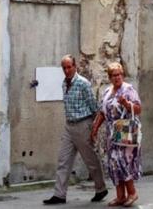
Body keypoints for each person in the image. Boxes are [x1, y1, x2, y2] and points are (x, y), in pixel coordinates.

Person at [45, 55, 108, 205]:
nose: (67, 70)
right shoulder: (64, 84)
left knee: (90, 159)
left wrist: (93, 129)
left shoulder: (83, 83)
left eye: (69, 67)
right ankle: (59, 194)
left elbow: (94, 107)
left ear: (75, 67)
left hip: (82, 124)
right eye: (64, 68)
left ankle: (101, 188)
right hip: (69, 126)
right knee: (63, 160)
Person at [92, 61, 143, 207]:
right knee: (113, 163)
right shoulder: (107, 92)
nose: (117, 77)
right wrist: (95, 128)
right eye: (114, 75)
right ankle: (120, 196)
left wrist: (127, 104)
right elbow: (102, 112)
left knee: (123, 162)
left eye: (120, 74)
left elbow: (138, 109)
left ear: (123, 75)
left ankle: (132, 193)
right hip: (111, 133)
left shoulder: (128, 89)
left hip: (125, 130)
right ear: (109, 77)